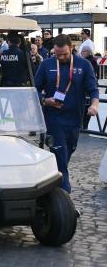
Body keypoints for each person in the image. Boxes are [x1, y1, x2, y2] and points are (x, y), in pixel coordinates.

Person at [34, 34, 99, 192]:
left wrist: (94, 105)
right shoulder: (46, 64)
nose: (61, 57)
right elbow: (34, 90)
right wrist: (45, 100)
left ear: (71, 48)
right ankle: (64, 194)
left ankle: (51, 185)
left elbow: (93, 89)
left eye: (64, 54)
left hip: (75, 118)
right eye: (57, 54)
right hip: (53, 118)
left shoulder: (83, 65)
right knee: (60, 152)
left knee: (66, 153)